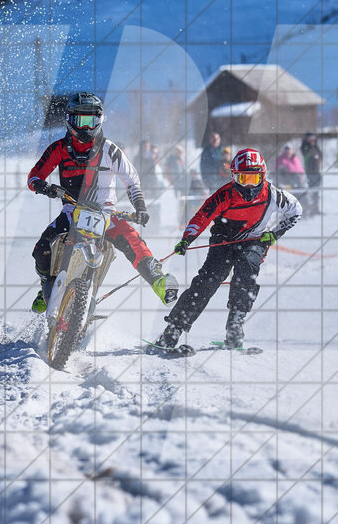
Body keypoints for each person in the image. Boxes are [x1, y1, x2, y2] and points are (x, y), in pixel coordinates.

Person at [26, 92, 178, 312]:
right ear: (70, 120)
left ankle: (159, 281)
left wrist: (140, 207)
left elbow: (132, 180)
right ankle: (45, 286)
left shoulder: (110, 150)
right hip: (72, 210)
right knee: (41, 249)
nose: (87, 128)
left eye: (93, 121)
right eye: (82, 121)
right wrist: (43, 186)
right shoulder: (58, 148)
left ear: (100, 120)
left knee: (133, 241)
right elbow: (33, 176)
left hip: (106, 213)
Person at [152, 148, 302, 350]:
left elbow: (295, 211)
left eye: (253, 178)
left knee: (246, 271)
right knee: (208, 281)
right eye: (243, 178)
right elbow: (201, 218)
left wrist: (274, 234)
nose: (249, 185)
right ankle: (174, 329)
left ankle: (235, 328)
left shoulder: (273, 195)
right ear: (234, 177)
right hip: (223, 240)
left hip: (255, 241)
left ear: (263, 176)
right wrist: (187, 239)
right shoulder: (224, 195)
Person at [300, 133, 323, 216]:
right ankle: (309, 209)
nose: (312, 140)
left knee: (316, 192)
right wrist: (309, 144)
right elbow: (305, 152)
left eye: (313, 138)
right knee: (310, 192)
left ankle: (315, 209)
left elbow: (320, 156)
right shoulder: (305, 147)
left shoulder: (315, 147)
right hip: (310, 172)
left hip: (317, 172)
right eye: (310, 139)